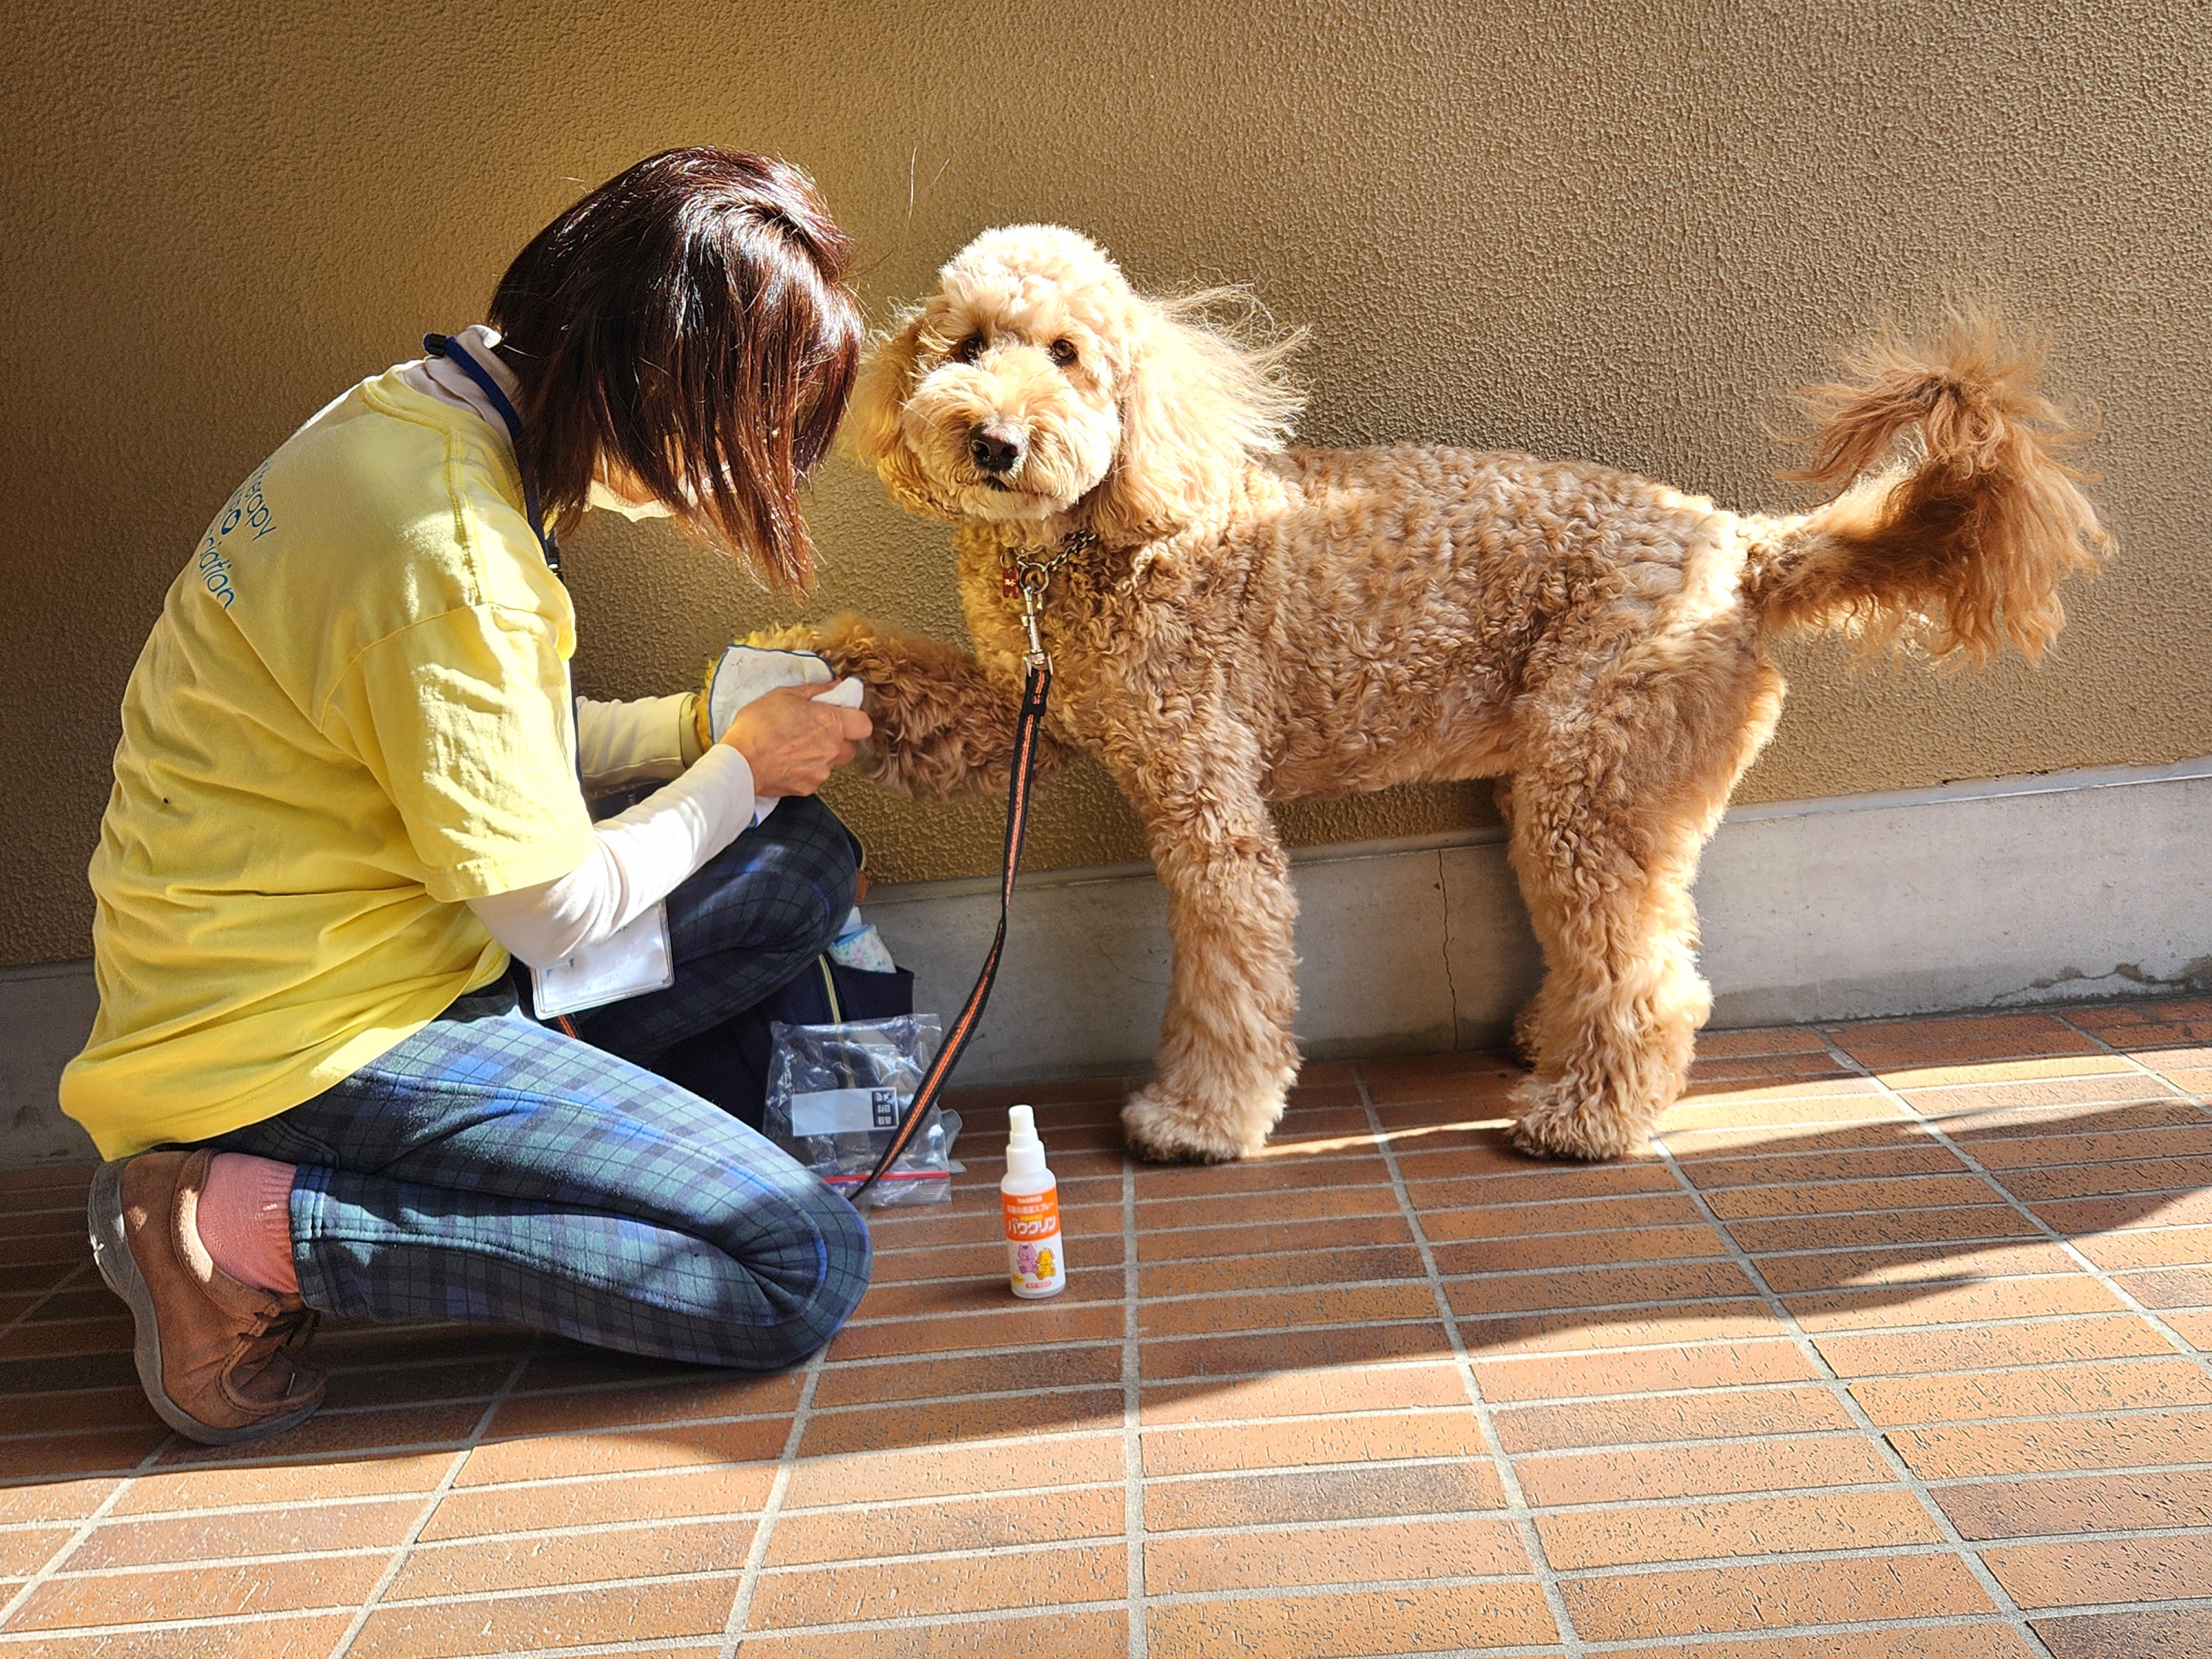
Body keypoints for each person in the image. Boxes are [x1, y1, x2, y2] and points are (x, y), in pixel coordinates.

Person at [63, 147, 880, 1446]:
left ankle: (588, 1154)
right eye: (743, 435)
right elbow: (554, 909)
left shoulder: (414, 415)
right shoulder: (454, 552)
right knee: (800, 1265)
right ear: (651, 379)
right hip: (297, 1038)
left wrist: (697, 728)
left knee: (800, 864)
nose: (736, 483)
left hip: (351, 953)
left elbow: (487, 742)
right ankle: (234, 1228)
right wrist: (741, 764)